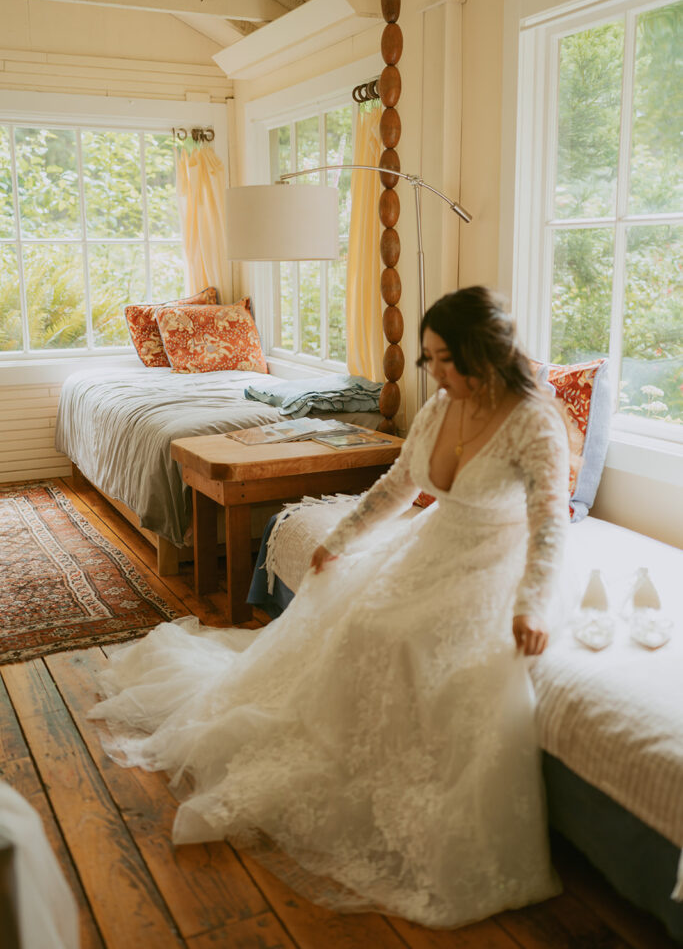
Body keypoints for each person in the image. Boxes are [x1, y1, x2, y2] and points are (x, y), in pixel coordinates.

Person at [89, 286, 570, 930]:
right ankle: (344, 750)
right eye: (428, 359)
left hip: (490, 565)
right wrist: (340, 540)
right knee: (363, 620)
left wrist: (533, 605)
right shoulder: (437, 407)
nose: (437, 373)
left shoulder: (532, 421)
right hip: (429, 547)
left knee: (406, 641)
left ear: (488, 353)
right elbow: (399, 484)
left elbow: (550, 523)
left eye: (446, 359)